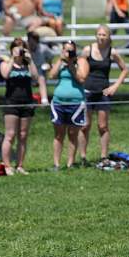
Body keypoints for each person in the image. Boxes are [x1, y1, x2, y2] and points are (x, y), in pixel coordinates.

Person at [79, 25, 129, 167]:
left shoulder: (112, 52)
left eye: (104, 35)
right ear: (96, 35)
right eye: (99, 34)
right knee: (84, 125)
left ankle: (103, 156)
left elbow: (125, 70)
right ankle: (83, 157)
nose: (101, 37)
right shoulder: (87, 50)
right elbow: (80, 67)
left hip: (103, 92)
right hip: (87, 91)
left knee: (103, 126)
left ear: (108, 37)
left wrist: (115, 86)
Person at [0, 38, 39, 176]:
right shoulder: (6, 63)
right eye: (16, 48)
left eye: (21, 48)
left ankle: (20, 165)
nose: (19, 50)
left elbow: (35, 77)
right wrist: (12, 58)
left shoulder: (27, 65)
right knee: (10, 135)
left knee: (23, 135)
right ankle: (7, 165)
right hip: (11, 102)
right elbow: (5, 74)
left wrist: (30, 59)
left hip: (27, 102)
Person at [48, 41, 89, 170]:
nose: (68, 52)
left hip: (76, 103)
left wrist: (71, 64)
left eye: (70, 50)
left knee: (72, 133)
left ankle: (70, 163)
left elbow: (82, 78)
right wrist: (61, 60)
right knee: (59, 134)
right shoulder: (60, 61)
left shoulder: (81, 61)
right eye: (65, 50)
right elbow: (52, 75)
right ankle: (56, 164)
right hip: (58, 102)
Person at [26, 31, 53, 105]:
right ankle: (27, 100)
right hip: (29, 71)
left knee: (41, 78)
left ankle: (44, 101)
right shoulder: (25, 49)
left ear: (36, 41)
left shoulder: (44, 48)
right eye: (29, 40)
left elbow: (51, 57)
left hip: (40, 71)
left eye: (32, 41)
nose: (30, 43)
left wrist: (48, 65)